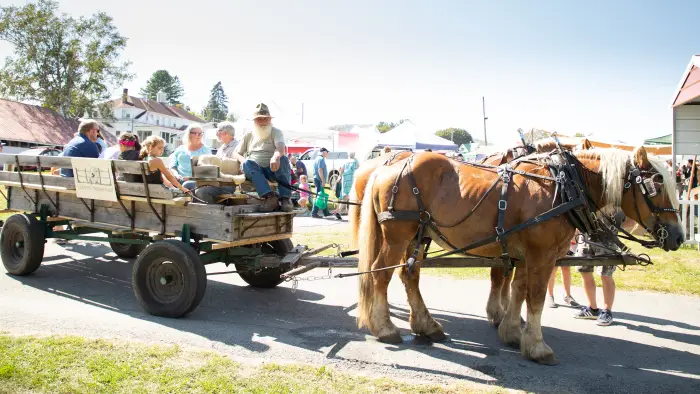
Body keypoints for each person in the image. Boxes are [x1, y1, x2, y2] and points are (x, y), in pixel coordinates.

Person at [236, 103, 293, 212]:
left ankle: (285, 198)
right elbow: (237, 153)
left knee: (284, 159)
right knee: (248, 163)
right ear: (254, 121)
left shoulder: (276, 132)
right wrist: (243, 161)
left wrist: (276, 156)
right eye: (259, 119)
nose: (262, 122)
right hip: (255, 169)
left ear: (270, 119)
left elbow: (281, 147)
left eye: (265, 119)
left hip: (272, 169)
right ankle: (269, 197)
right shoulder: (248, 135)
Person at [572, 209, 625, 326]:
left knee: (606, 274)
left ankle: (607, 311)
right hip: (585, 237)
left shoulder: (612, 196)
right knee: (584, 271)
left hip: (607, 237)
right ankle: (593, 309)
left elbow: (623, 217)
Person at [193, 122, 241, 204]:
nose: (216, 134)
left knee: (201, 191)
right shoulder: (222, 148)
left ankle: (215, 213)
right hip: (217, 182)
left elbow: (237, 168)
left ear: (225, 133)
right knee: (187, 186)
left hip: (230, 184)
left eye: (218, 132)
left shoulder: (238, 147)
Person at [122, 136, 190, 193]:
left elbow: (162, 177)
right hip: (157, 192)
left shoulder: (143, 158)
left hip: (146, 191)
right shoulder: (156, 161)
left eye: (163, 148)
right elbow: (169, 176)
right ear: (150, 147)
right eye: (159, 148)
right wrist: (182, 188)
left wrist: (171, 186)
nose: (162, 150)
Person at [169, 123, 211, 189]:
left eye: (200, 133)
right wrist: (176, 175)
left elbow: (208, 171)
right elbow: (173, 165)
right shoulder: (180, 148)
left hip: (196, 181)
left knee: (187, 184)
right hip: (178, 180)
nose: (198, 135)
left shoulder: (206, 150)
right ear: (189, 134)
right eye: (195, 133)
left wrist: (191, 178)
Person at [546, 238, 580, 308]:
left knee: (566, 268)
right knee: (553, 269)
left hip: (567, 241)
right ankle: (550, 296)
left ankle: (567, 296)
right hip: (554, 241)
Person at [333, 152, 359, 217]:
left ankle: (339, 210)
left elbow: (341, 171)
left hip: (345, 180)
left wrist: (340, 177)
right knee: (351, 196)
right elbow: (357, 171)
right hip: (352, 180)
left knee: (345, 196)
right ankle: (348, 212)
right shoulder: (355, 161)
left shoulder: (345, 161)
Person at [311, 147, 332, 218]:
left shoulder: (317, 159)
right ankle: (314, 213)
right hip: (319, 180)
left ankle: (326, 212)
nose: (327, 154)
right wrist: (323, 180)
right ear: (324, 152)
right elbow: (320, 170)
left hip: (317, 179)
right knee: (319, 197)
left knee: (321, 195)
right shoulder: (321, 159)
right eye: (327, 152)